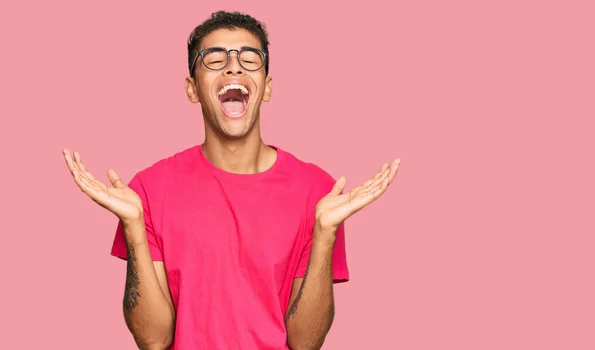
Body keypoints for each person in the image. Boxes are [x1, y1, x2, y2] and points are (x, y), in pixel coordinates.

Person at [62, 10, 400, 350]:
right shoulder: (148, 190)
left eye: (250, 59)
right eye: (215, 59)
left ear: (267, 89)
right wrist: (133, 227)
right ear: (192, 89)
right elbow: (153, 340)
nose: (234, 67)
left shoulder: (318, 192)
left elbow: (305, 343)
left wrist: (325, 233)